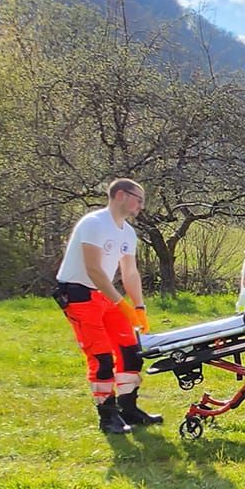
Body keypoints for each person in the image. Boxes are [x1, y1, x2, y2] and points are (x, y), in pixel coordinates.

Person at [53, 178, 163, 436]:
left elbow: (130, 272)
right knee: (101, 357)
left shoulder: (127, 232)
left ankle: (129, 408)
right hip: (80, 293)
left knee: (130, 352)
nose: (140, 206)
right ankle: (107, 415)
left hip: (105, 295)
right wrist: (119, 302)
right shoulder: (94, 224)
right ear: (121, 195)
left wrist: (139, 307)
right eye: (138, 199)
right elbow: (93, 269)